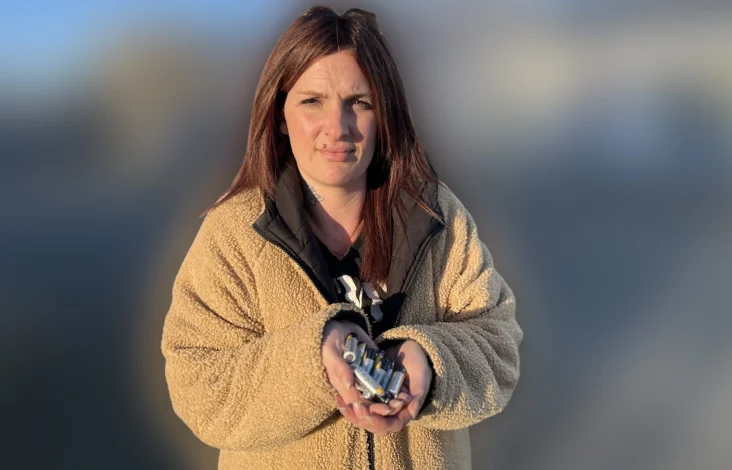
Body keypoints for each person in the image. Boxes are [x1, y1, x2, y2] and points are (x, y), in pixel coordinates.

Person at [161, 5, 523, 470]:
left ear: (384, 113)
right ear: (280, 113)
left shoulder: (438, 216)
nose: (338, 127)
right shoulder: (234, 233)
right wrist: (315, 355)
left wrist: (431, 363)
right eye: (313, 101)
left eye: (359, 102)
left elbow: (498, 348)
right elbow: (197, 385)